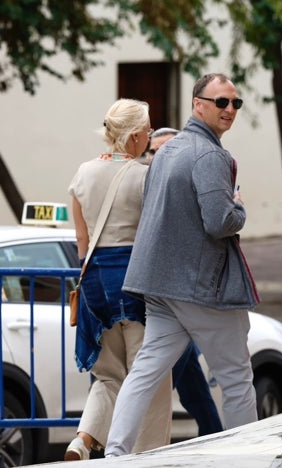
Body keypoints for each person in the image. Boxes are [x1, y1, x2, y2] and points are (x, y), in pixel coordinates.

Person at [105, 73, 260, 457]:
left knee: (145, 371)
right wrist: (238, 207)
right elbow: (219, 221)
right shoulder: (210, 155)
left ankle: (115, 453)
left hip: (158, 282)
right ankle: (249, 458)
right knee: (237, 378)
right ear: (198, 104)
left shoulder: (168, 150)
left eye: (235, 103)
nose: (229, 110)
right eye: (221, 102)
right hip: (199, 285)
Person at [65, 99, 172, 460]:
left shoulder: (83, 173)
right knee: (149, 376)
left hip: (94, 281)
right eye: (148, 129)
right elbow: (157, 235)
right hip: (136, 281)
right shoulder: (146, 175)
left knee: (108, 376)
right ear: (137, 135)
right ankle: (148, 456)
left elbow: (82, 241)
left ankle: (83, 438)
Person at [147, 126, 224, 437]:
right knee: (173, 376)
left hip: (181, 297)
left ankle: (214, 435)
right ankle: (213, 433)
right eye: (153, 152)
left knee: (183, 374)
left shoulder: (189, 187)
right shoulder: (142, 185)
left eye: (165, 151)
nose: (158, 157)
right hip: (152, 301)